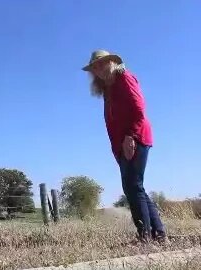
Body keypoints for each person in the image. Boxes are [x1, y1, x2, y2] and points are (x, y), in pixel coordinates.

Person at [82, 50, 166, 243]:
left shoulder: (125, 79)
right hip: (122, 144)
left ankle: (145, 237)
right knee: (136, 187)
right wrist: (117, 148)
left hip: (136, 138)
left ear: (112, 62)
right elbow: (111, 123)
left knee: (132, 186)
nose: (98, 69)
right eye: (95, 67)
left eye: (102, 64)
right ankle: (159, 234)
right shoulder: (107, 90)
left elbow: (139, 109)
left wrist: (130, 137)